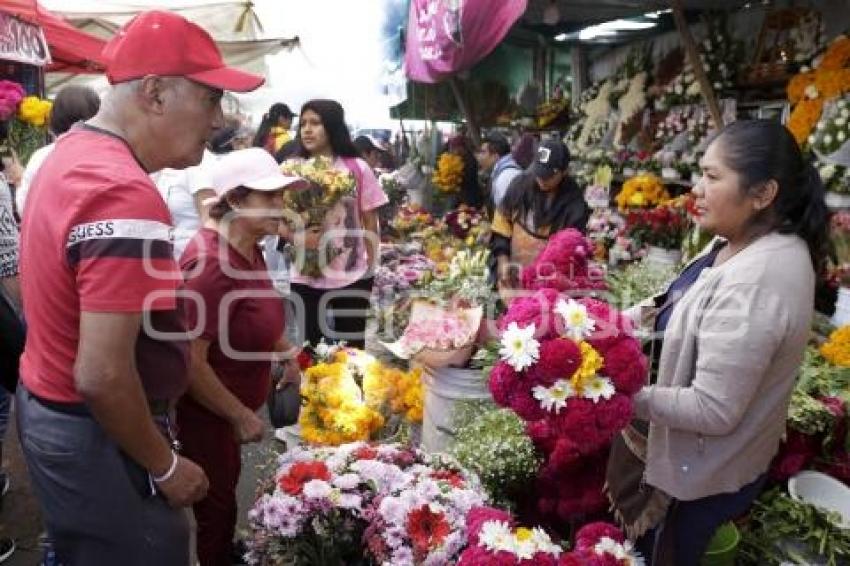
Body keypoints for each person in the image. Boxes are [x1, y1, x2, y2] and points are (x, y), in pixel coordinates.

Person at [15, 10, 264, 564]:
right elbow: (101, 374)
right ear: (155, 93)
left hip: (59, 416)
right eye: (209, 99)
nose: (218, 119)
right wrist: (165, 464)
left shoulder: (70, 155)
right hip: (103, 437)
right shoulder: (124, 194)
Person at [606, 120, 829, 565]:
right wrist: (605, 325)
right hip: (689, 454)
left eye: (712, 177)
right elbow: (676, 297)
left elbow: (714, 408)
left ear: (763, 194)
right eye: (699, 174)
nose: (697, 190)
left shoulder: (760, 278)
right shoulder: (735, 241)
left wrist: (618, 396)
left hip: (698, 479)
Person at [177, 147, 303, 565]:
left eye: (282, 197)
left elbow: (254, 315)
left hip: (228, 414)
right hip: (207, 419)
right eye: (269, 198)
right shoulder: (211, 265)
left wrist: (286, 351)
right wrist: (238, 414)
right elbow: (190, 361)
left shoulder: (251, 247)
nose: (281, 207)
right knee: (214, 511)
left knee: (225, 499)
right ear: (233, 201)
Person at [284, 99, 388, 349]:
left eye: (315, 123)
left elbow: (370, 221)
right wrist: (298, 239)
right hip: (305, 274)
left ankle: (353, 388)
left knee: (352, 349)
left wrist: (371, 268)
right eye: (303, 124)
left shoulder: (357, 168)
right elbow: (273, 219)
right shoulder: (290, 169)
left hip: (352, 273)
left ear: (332, 127)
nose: (307, 130)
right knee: (311, 348)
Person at [491, 140, 590, 297]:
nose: (542, 180)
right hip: (511, 275)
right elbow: (501, 226)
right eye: (538, 173)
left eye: (549, 175)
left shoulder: (574, 205)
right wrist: (503, 261)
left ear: (564, 172)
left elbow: (571, 252)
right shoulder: (519, 186)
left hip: (548, 283)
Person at [16, 85, 101, 216]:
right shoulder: (113, 155)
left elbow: (25, 206)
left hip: (50, 232)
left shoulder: (42, 157)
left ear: (54, 118)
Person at [476, 132, 521, 209]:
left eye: (483, 152)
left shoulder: (505, 177)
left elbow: (509, 214)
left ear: (495, 156)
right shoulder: (503, 172)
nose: (479, 157)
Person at [448, 135, 483, 208]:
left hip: (470, 198)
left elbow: (467, 179)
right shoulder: (459, 158)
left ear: (461, 147)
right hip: (461, 197)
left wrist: (453, 179)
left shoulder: (470, 160)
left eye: (454, 148)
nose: (452, 151)